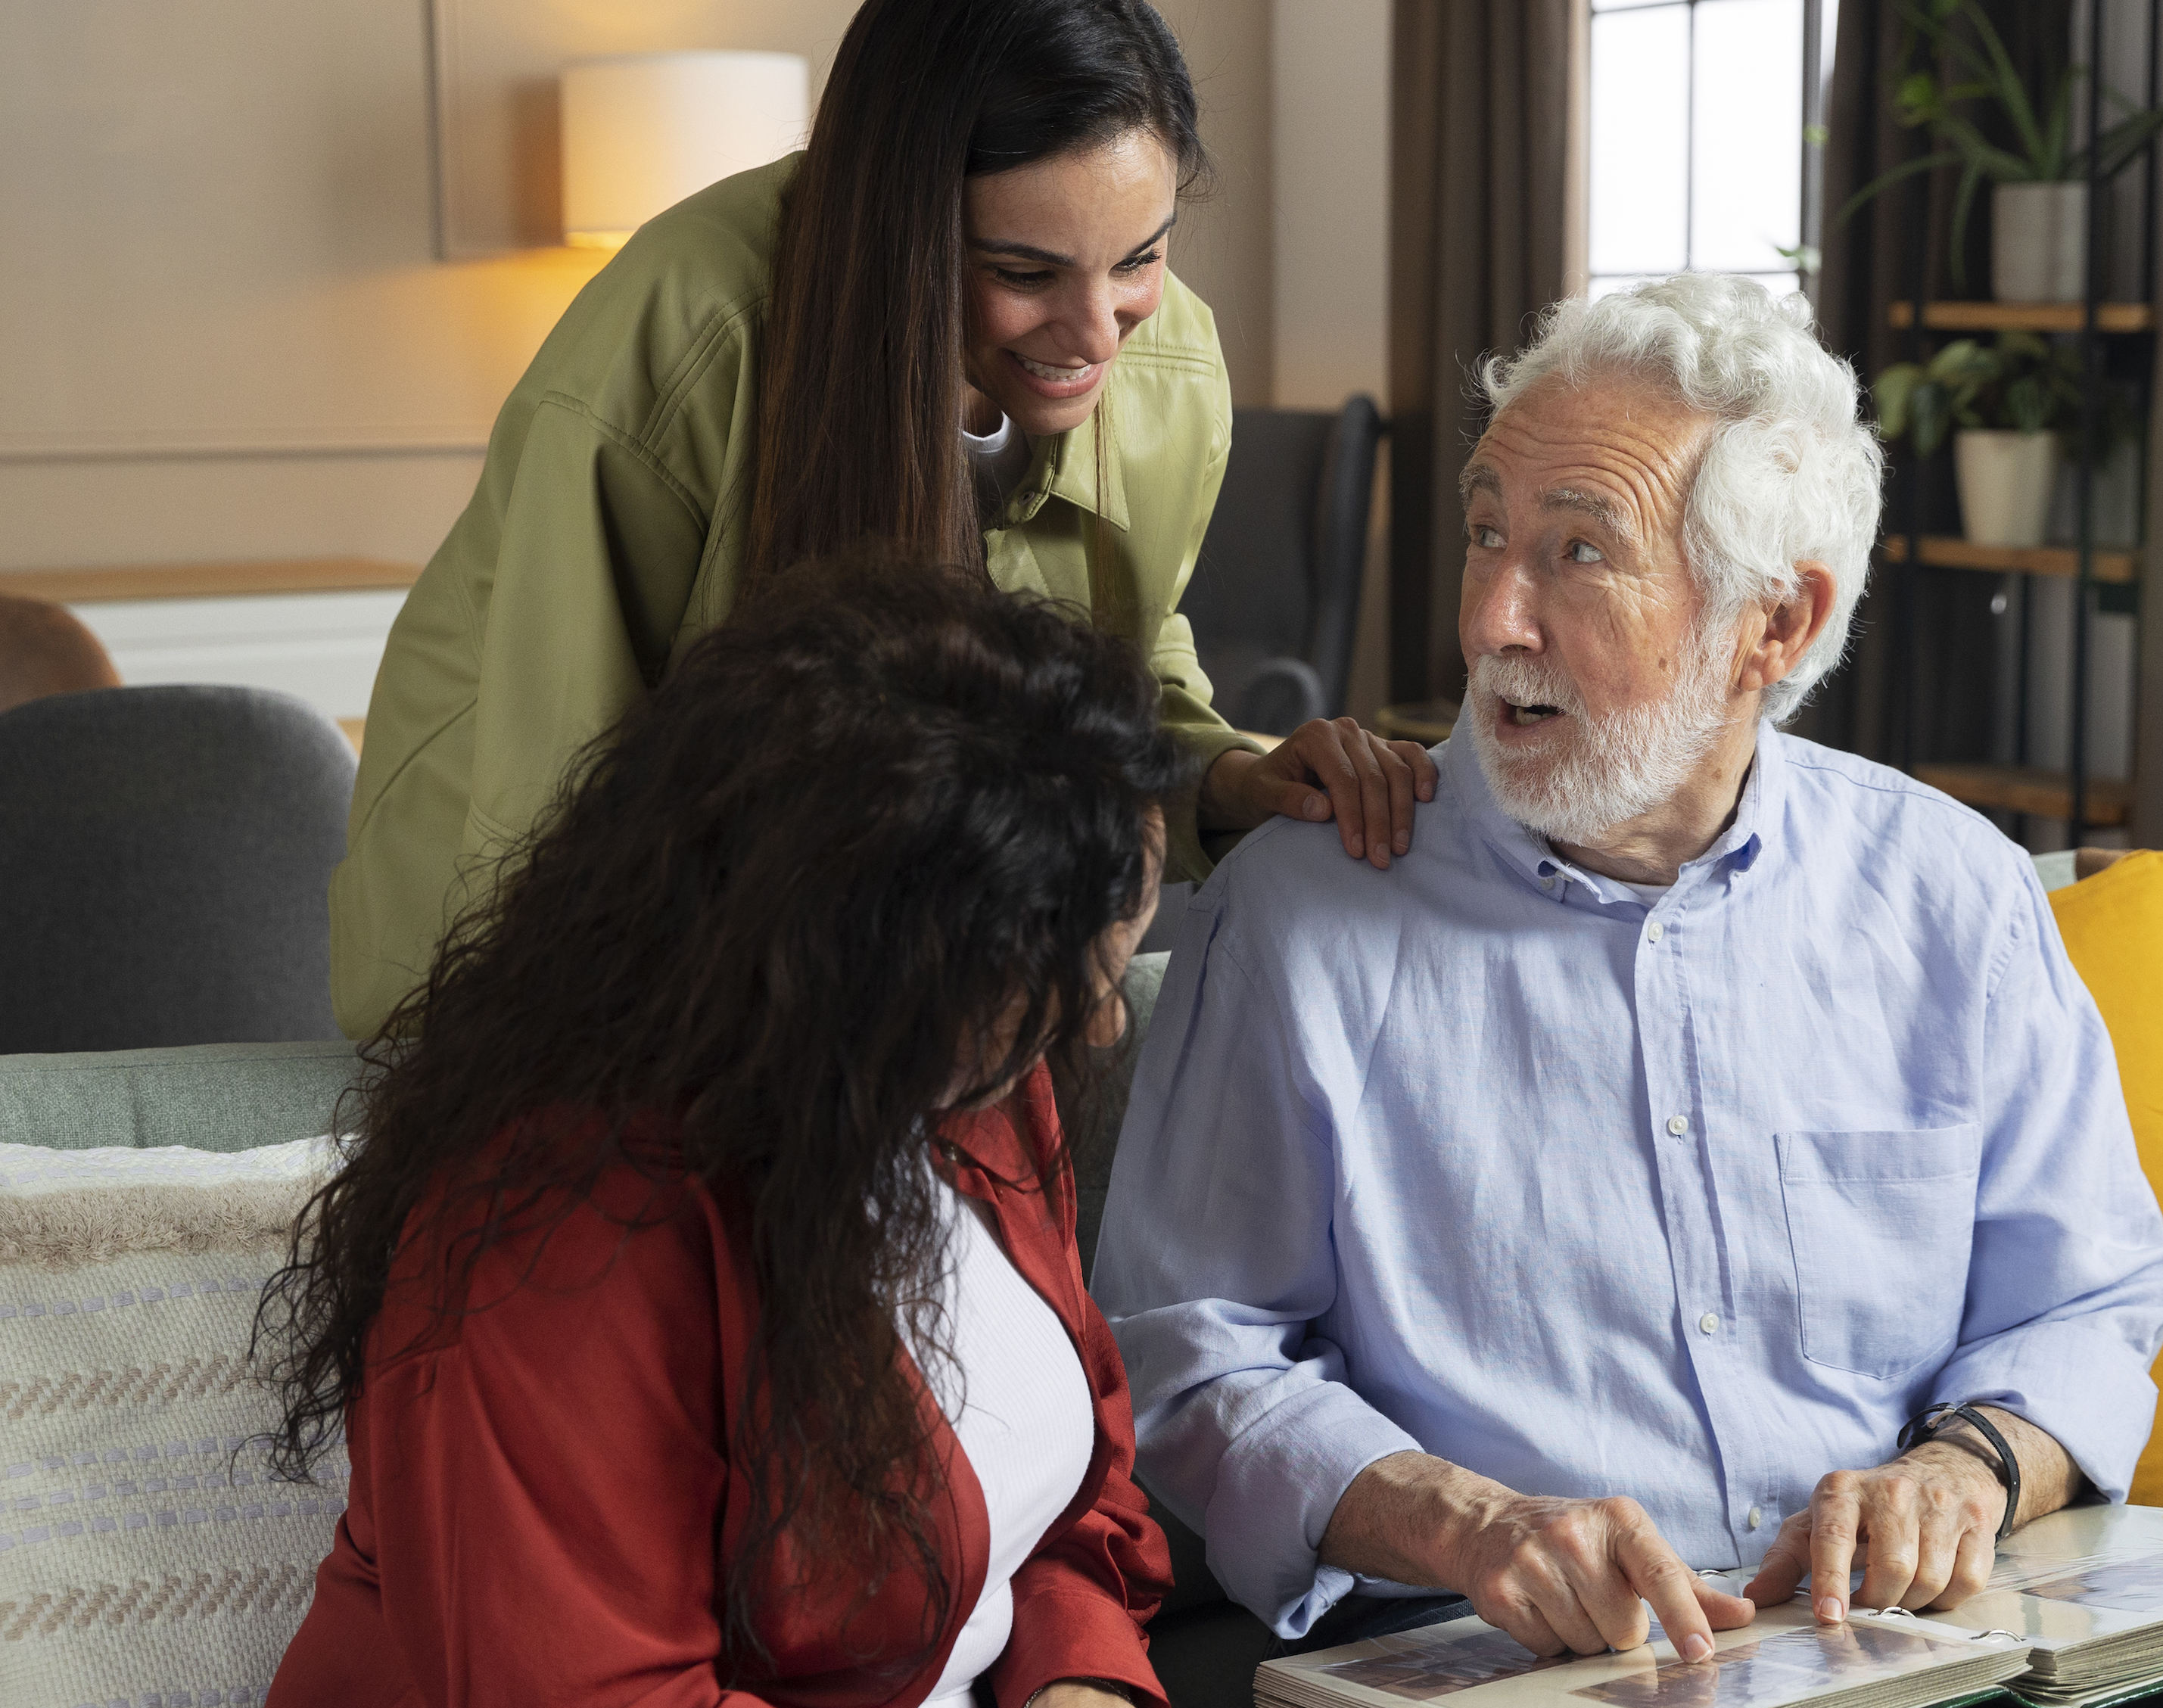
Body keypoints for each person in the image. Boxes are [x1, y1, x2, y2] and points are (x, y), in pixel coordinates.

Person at [1094, 275, 2163, 1708]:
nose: (1491, 617)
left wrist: (1972, 1469)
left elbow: (2086, 1289)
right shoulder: (1305, 909)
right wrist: (1463, 1522)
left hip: (1938, 1631)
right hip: (1539, 1665)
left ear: (1777, 623)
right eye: (1487, 532)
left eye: (1577, 551)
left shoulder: (1948, 890)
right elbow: (1187, 1348)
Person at [244, 562, 1377, 1708]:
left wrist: (1081, 1693)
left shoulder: (976, 1082)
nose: (1104, 1027)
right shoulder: (549, 1232)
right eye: (1073, 978)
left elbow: (1073, 1497)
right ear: (868, 968)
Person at [329, 0, 1432, 1040]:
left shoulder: (1171, 372)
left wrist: (1230, 777)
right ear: (906, 229)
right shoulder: (687, 338)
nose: (1098, 331)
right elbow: (549, 792)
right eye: (1023, 271)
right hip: (541, 948)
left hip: (880, 966)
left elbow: (1122, 667)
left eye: (1140, 257)